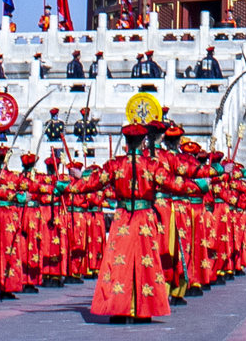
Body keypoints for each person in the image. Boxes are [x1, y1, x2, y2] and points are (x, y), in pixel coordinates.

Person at [68, 123, 203, 323]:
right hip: (144, 218)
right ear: (142, 142)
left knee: (119, 262)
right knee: (145, 262)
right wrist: (200, 186)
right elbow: (173, 183)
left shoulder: (115, 164)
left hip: (122, 217)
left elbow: (92, 183)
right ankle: (142, 309)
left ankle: (120, 308)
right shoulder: (151, 165)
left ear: (127, 142)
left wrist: (65, 187)